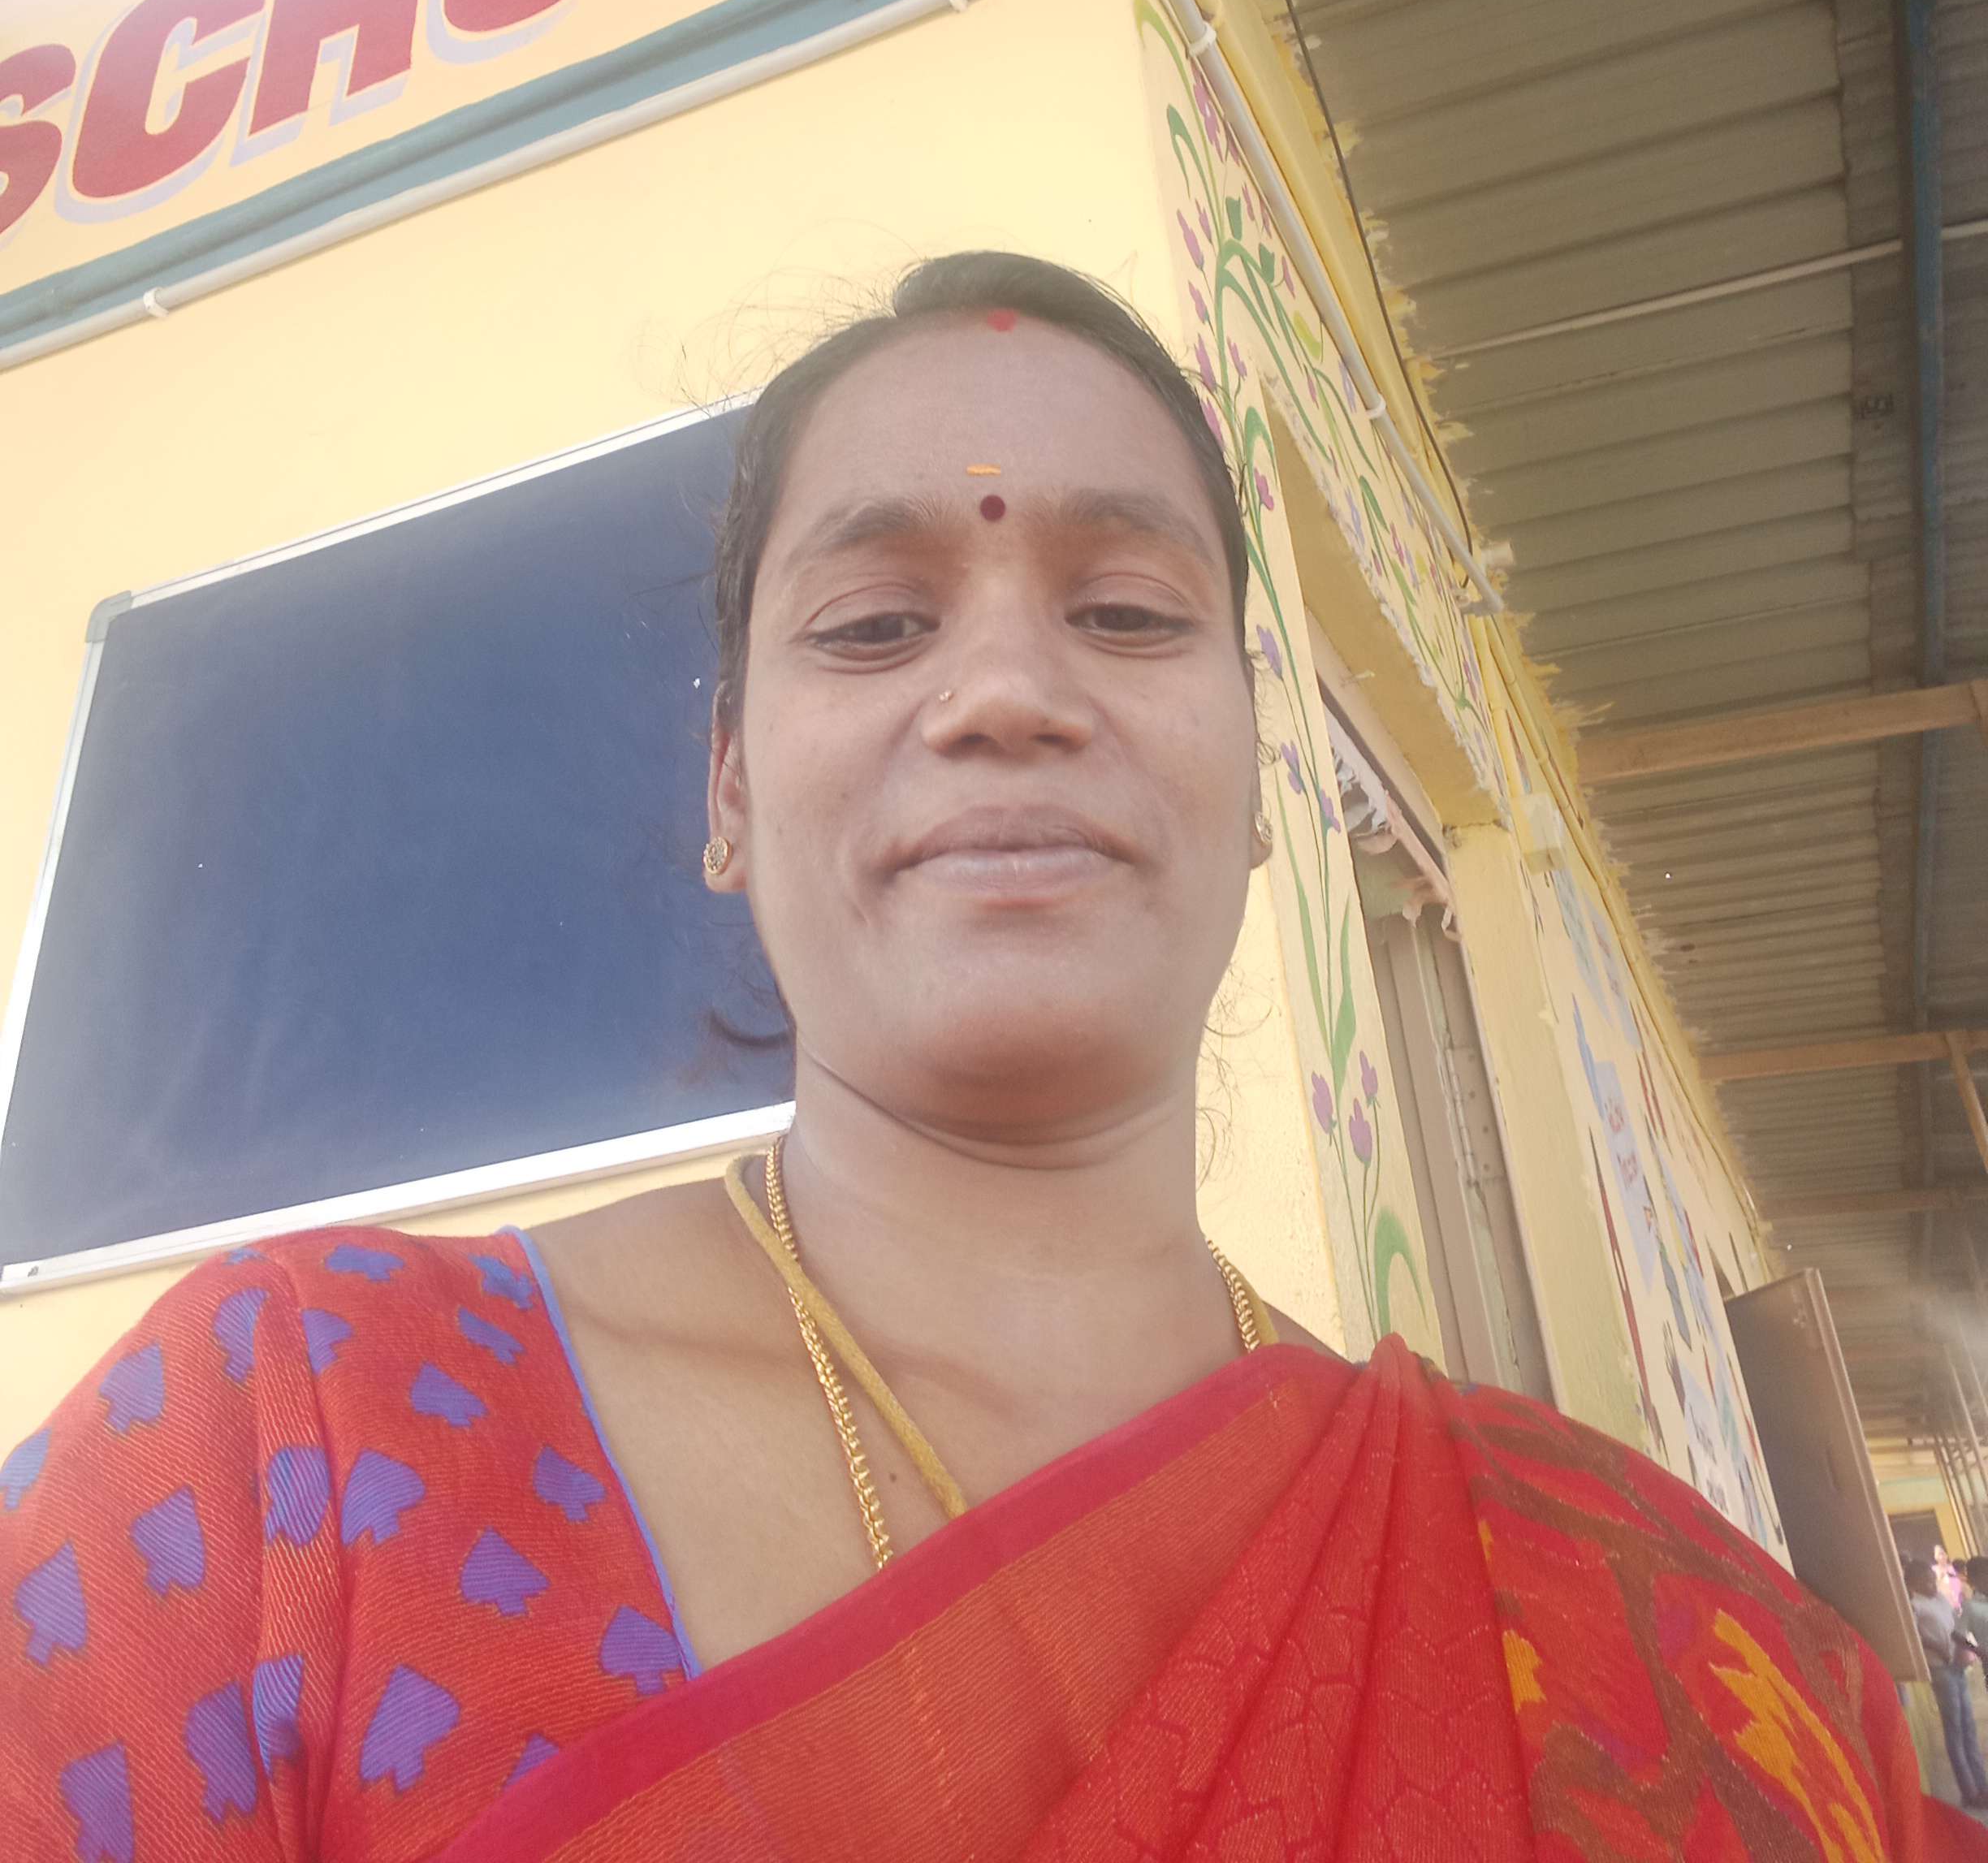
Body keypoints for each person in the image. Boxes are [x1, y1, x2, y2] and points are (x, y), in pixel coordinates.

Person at [2, 249, 1981, 1861]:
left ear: (1258, 780)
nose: (1010, 693)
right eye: (875, 628)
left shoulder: (1638, 1633)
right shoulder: (292, 1447)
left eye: (1125, 612)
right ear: (726, 791)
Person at [1910, 1555, 1988, 1813]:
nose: (1931, 1584)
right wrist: (1938, 1647)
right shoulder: (1915, 1606)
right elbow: (1916, 1637)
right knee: (1955, 1731)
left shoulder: (1941, 1600)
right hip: (1940, 1670)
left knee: (1968, 1728)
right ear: (1913, 1584)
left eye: (1932, 1580)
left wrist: (1965, 1652)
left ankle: (1983, 1786)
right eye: (1925, 1581)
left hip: (1956, 1667)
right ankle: (1970, 1792)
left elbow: (1955, 1629)